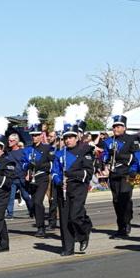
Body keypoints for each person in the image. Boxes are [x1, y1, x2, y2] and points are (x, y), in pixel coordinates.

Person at [51, 106, 93, 257]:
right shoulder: (58, 154)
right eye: (66, 138)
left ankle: (84, 233)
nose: (68, 140)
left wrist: (70, 174)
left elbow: (88, 172)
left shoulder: (85, 152)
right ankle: (67, 248)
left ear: (77, 138)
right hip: (63, 189)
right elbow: (55, 171)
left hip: (78, 187)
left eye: (71, 137)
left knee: (75, 216)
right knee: (64, 219)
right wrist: (57, 179)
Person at [98, 101, 138, 239]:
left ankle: (126, 224)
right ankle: (121, 226)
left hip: (127, 173)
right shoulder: (108, 141)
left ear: (124, 127)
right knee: (116, 201)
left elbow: (136, 156)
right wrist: (103, 159)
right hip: (114, 174)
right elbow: (104, 154)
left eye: (119, 126)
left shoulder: (131, 139)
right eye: (114, 126)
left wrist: (132, 170)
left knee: (125, 199)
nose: (116, 128)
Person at [21, 128, 53, 238]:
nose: (35, 137)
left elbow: (52, 163)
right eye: (33, 135)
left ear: (41, 135)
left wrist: (39, 166)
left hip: (42, 177)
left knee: (38, 201)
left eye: (37, 135)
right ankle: (40, 226)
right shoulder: (27, 149)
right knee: (34, 203)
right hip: (31, 179)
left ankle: (41, 228)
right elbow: (23, 164)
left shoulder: (47, 148)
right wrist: (28, 166)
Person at [5, 132, 33, 219]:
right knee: (10, 197)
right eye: (9, 140)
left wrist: (28, 174)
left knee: (26, 196)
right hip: (12, 178)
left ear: (16, 141)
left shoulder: (23, 152)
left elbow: (28, 164)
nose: (9, 142)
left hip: (22, 178)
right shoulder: (7, 153)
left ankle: (32, 211)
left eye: (11, 141)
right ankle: (10, 214)